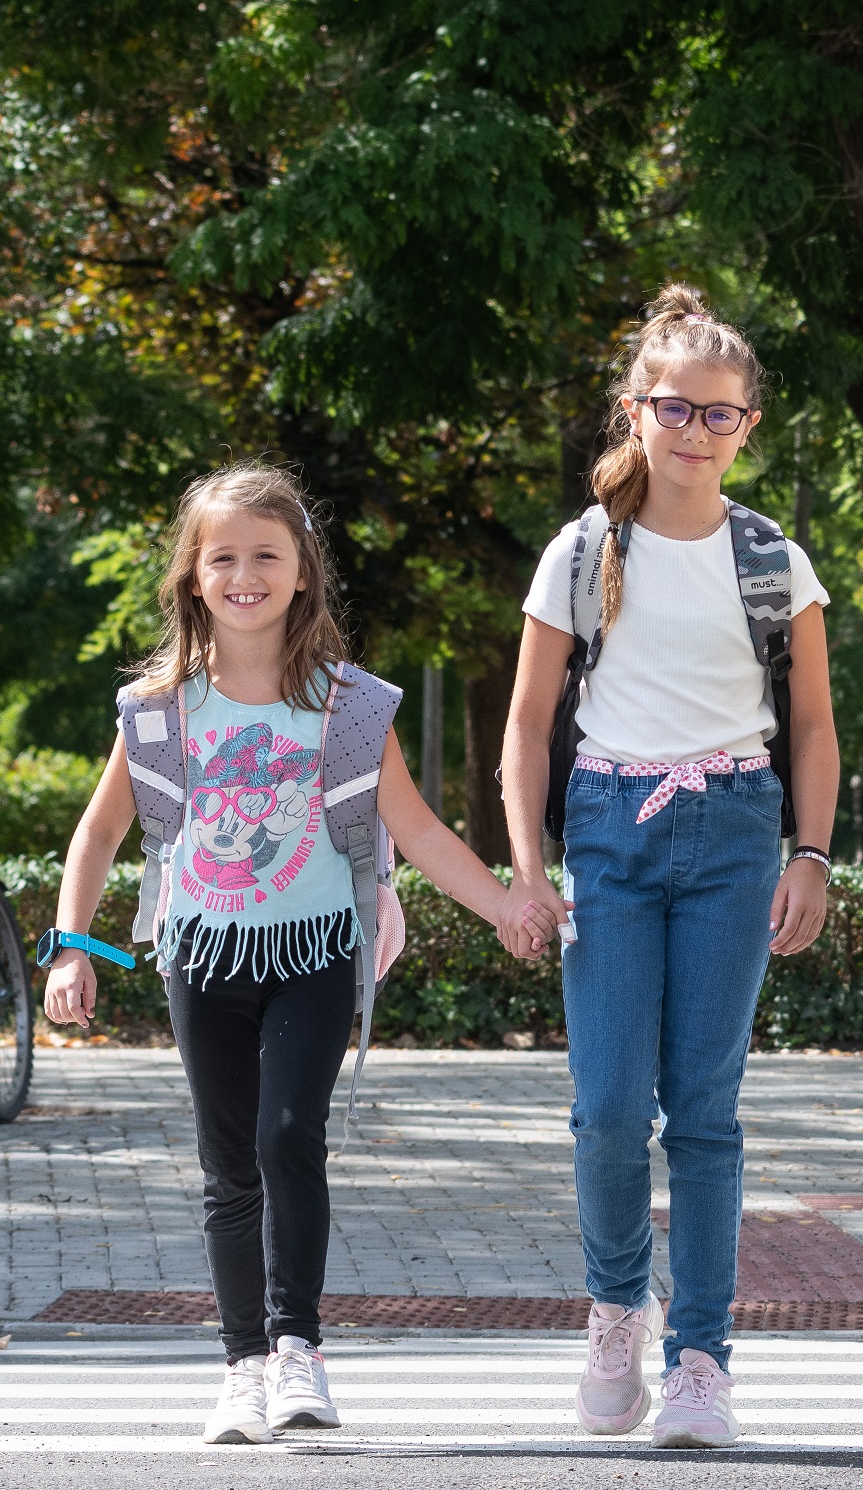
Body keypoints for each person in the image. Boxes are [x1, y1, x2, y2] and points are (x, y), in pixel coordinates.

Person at [41, 462, 556, 1447]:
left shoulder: (347, 706)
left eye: (265, 556)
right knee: (228, 1164)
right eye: (223, 557)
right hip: (202, 958)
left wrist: (503, 906)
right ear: (194, 576)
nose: (245, 575)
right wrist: (72, 947)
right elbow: (97, 834)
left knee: (289, 1139)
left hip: (319, 955)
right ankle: (241, 1366)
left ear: (303, 574)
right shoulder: (161, 708)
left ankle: (297, 1350)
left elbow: (421, 829)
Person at [501, 285, 842, 1448]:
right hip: (608, 826)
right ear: (635, 413)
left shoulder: (771, 559)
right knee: (605, 1110)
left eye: (720, 415)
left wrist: (811, 849)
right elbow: (530, 724)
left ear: (748, 425)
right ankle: (612, 1316)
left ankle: (701, 1358)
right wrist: (527, 867)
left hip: (736, 828)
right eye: (674, 409)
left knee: (703, 1114)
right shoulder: (585, 550)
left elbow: (809, 726)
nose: (696, 432)